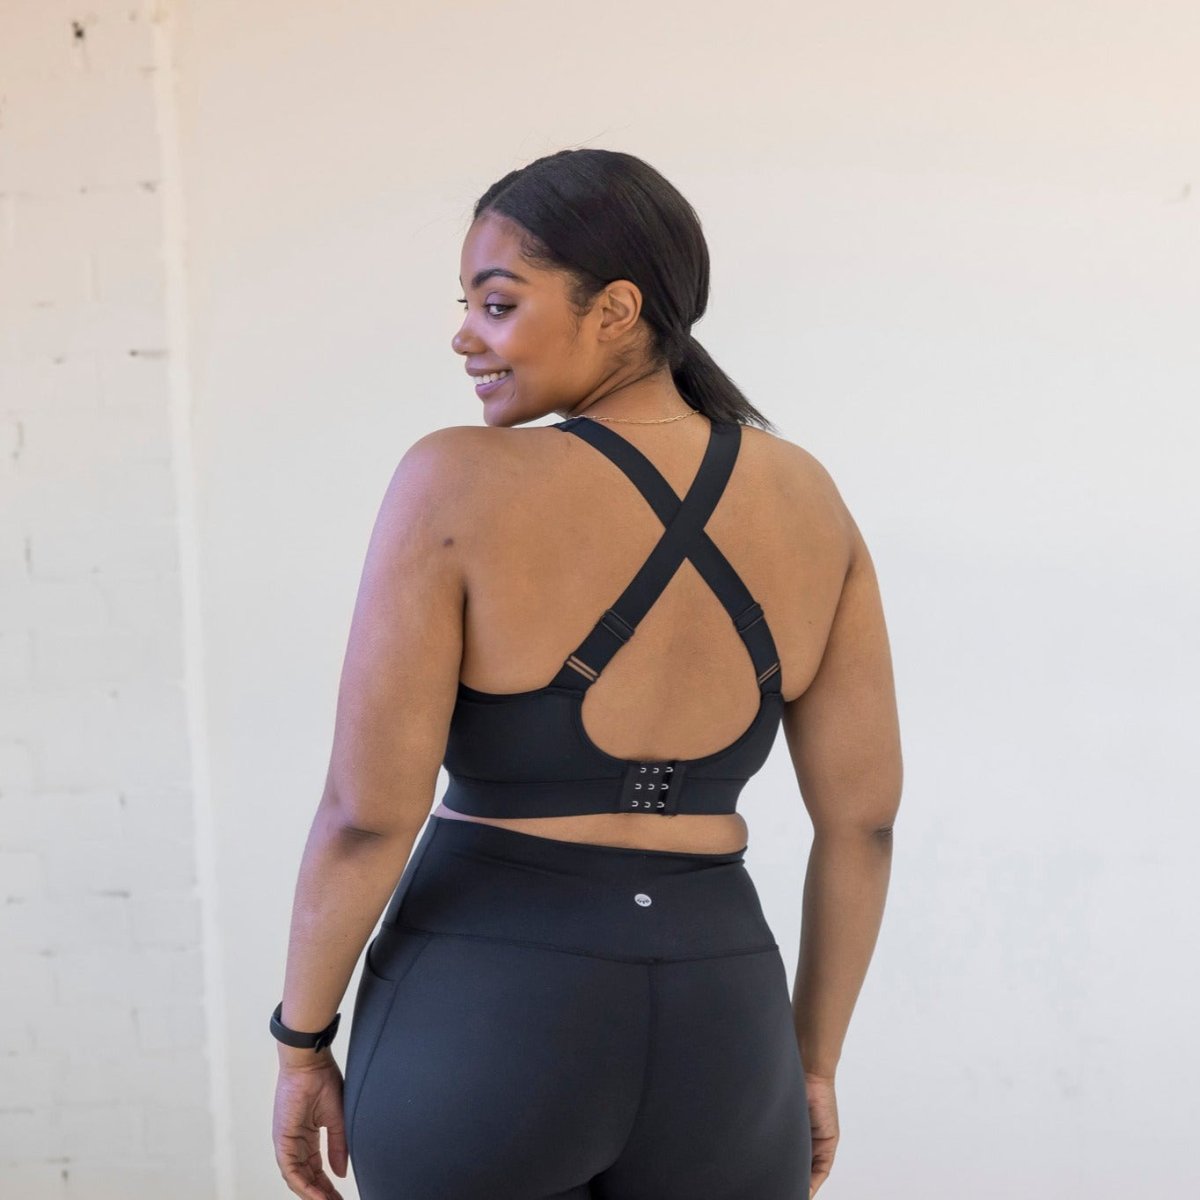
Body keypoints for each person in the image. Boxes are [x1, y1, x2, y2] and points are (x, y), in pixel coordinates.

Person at [270, 148, 902, 1200]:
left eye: (498, 303)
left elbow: (366, 817)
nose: (465, 336)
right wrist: (813, 1065)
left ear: (615, 309)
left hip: (485, 1006)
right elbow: (865, 824)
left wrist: (301, 1043)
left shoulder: (454, 482)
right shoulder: (807, 495)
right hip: (727, 1028)